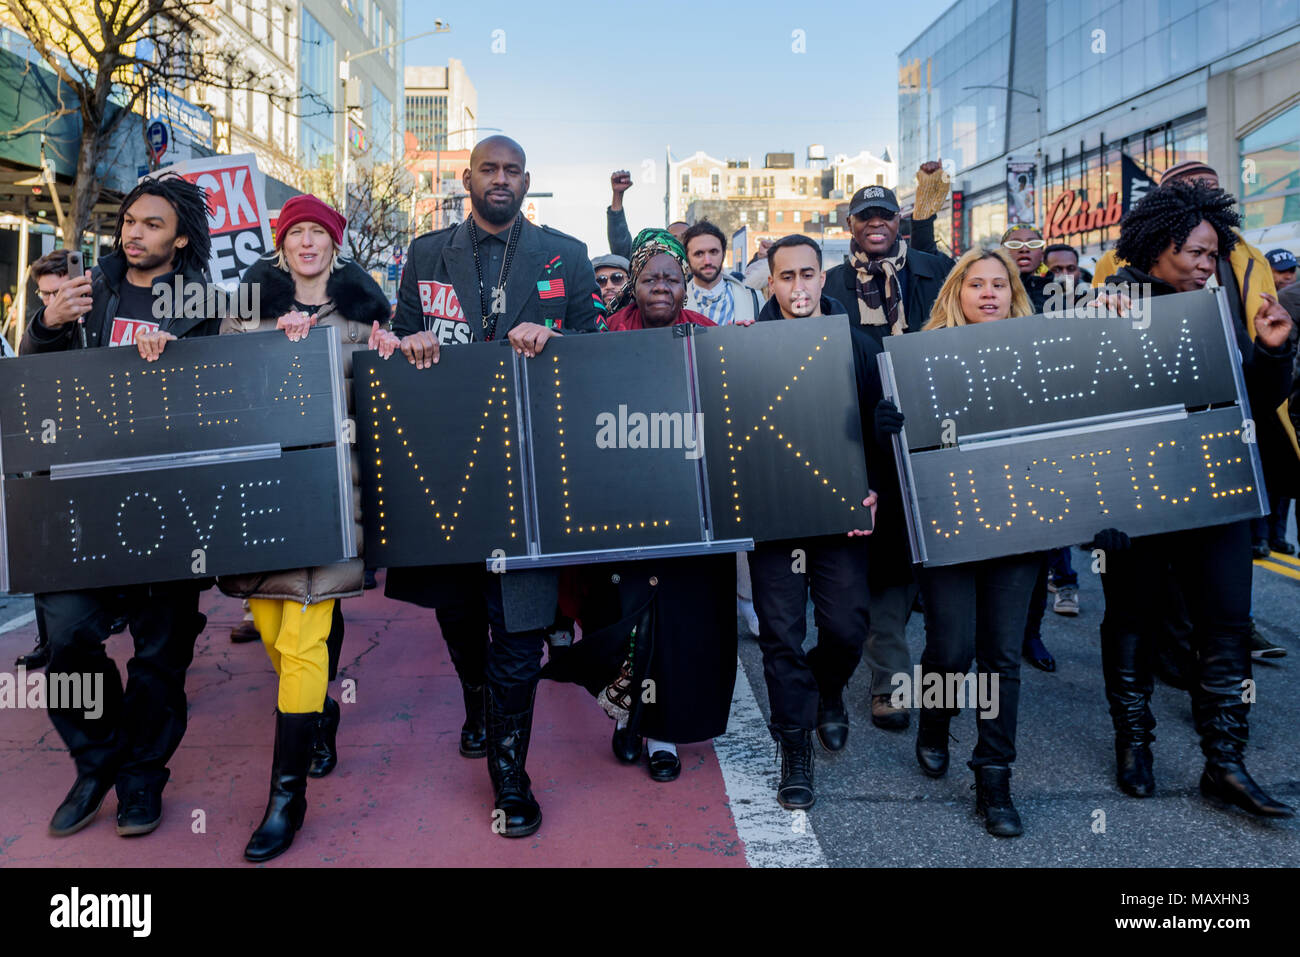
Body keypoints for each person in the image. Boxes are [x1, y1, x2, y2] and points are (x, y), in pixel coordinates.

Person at [388, 134, 604, 838]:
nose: (501, 179)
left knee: (520, 629)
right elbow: (397, 344)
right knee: (456, 611)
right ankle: (476, 700)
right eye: (490, 168)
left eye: (513, 170)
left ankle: (511, 777)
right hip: (449, 471)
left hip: (532, 476)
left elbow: (594, 355)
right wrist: (411, 346)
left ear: (527, 180)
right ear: (468, 177)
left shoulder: (565, 255)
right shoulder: (425, 254)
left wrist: (558, 345)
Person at [21, 174, 220, 839]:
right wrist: (47, 324)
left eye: (153, 223)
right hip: (79, 498)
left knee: (161, 656)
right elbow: (32, 380)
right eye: (130, 219)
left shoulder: (205, 303)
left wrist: (178, 358)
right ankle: (97, 758)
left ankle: (141, 777)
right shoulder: (86, 287)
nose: (134, 231)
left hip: (169, 502)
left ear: (181, 236)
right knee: (70, 635)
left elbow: (229, 397)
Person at [1094, 180, 1294, 818]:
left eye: (1214, 256)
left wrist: (1271, 351)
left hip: (1219, 494)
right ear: (1158, 246)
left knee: (1228, 625)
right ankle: (1134, 745)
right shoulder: (1106, 305)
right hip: (1140, 498)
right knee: (1133, 620)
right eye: (1197, 253)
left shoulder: (1219, 312)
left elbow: (1256, 407)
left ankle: (1225, 762)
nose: (1208, 266)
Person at [208, 194, 395, 861]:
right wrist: (267, 347)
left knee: (307, 631)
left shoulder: (367, 314)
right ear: (281, 246)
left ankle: (284, 801)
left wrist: (394, 351)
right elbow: (217, 389)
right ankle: (320, 710)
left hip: (332, 493)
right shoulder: (245, 314)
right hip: (260, 494)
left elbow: (381, 398)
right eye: (297, 234)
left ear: (334, 246)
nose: (308, 243)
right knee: (273, 630)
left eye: (319, 233)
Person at [549, 228, 736, 781]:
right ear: (634, 282)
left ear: (685, 286)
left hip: (685, 504)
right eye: (650, 277)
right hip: (618, 503)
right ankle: (624, 712)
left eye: (671, 278)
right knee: (618, 618)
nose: (661, 286)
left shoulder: (707, 336)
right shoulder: (602, 333)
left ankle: (663, 733)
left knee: (676, 622)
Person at [878, 247, 1041, 837]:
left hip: (1022, 524)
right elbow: (901, 453)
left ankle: (993, 778)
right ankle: (935, 722)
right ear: (956, 293)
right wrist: (887, 426)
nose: (990, 293)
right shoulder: (919, 359)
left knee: (1001, 656)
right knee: (953, 649)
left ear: (1014, 293)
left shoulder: (1039, 353)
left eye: (1001, 283)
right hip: (947, 521)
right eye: (977, 284)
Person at [749, 233, 878, 809]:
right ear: (769, 282)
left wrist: (874, 488)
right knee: (780, 634)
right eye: (786, 276)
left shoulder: (859, 344)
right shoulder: (746, 344)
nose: (798, 286)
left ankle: (828, 689)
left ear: (823, 279)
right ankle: (794, 745)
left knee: (848, 627)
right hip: (775, 514)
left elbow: (878, 430)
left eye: (807, 274)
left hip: (839, 516)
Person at [824, 181, 951, 728]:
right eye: (863, 216)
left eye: (883, 215)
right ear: (850, 225)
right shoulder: (828, 283)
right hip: (864, 436)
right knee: (886, 564)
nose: (874, 224)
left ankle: (953, 672)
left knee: (943, 565)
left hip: (937, 432)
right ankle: (890, 680)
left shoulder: (936, 270)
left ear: (898, 221)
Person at [13, 249, 73, 669]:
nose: (53, 302)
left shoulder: (94, 324)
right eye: (46, 294)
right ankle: (48, 638)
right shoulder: (37, 328)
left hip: (90, 450)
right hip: (46, 451)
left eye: (60, 292)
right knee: (43, 547)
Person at [681, 220, 760, 324]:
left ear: (723, 254)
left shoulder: (753, 298)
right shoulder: (677, 304)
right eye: (699, 254)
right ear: (687, 258)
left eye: (713, 252)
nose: (707, 261)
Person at [1001, 226, 1050, 313]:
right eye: (1014, 244)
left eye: (1033, 244)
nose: (1024, 249)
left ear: (1042, 255)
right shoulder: (992, 292)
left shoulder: (1059, 290)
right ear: (1002, 253)